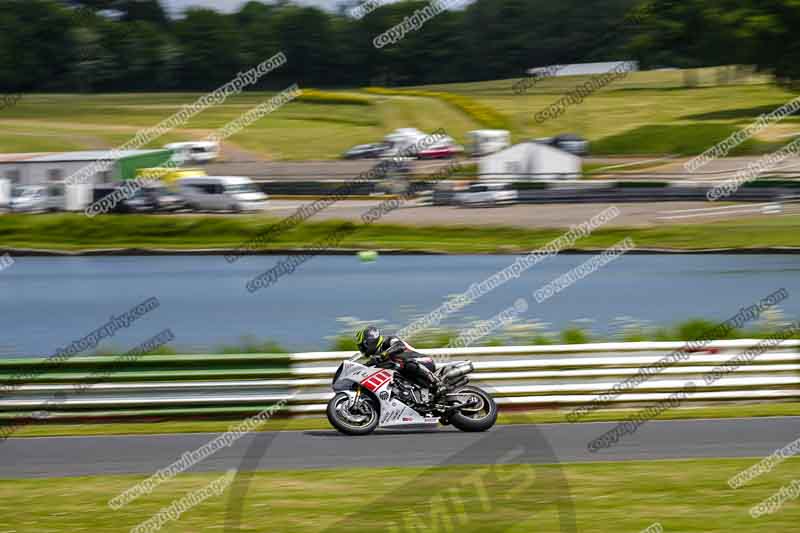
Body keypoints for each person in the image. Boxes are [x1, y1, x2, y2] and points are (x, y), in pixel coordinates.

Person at [355, 326, 443, 397]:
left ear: (370, 342)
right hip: (412, 375)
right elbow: (366, 367)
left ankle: (436, 383)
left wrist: (384, 354)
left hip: (422, 361)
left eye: (363, 346)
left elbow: (399, 346)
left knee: (407, 363)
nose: (362, 349)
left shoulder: (389, 341)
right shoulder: (376, 358)